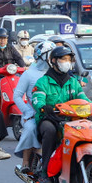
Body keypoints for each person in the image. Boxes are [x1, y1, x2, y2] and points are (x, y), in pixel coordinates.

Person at [30, 46, 91, 183]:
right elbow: (37, 100)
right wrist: (43, 107)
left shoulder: (73, 82)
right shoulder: (43, 82)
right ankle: (45, 173)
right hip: (49, 119)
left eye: (69, 60)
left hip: (71, 119)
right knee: (50, 131)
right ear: (53, 61)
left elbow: (83, 99)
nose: (67, 62)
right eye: (63, 59)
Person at [13, 40, 56, 175]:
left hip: (55, 111)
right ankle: (25, 162)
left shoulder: (55, 72)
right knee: (31, 128)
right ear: (43, 56)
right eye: (51, 55)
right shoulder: (29, 74)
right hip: (33, 112)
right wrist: (28, 112)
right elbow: (17, 96)